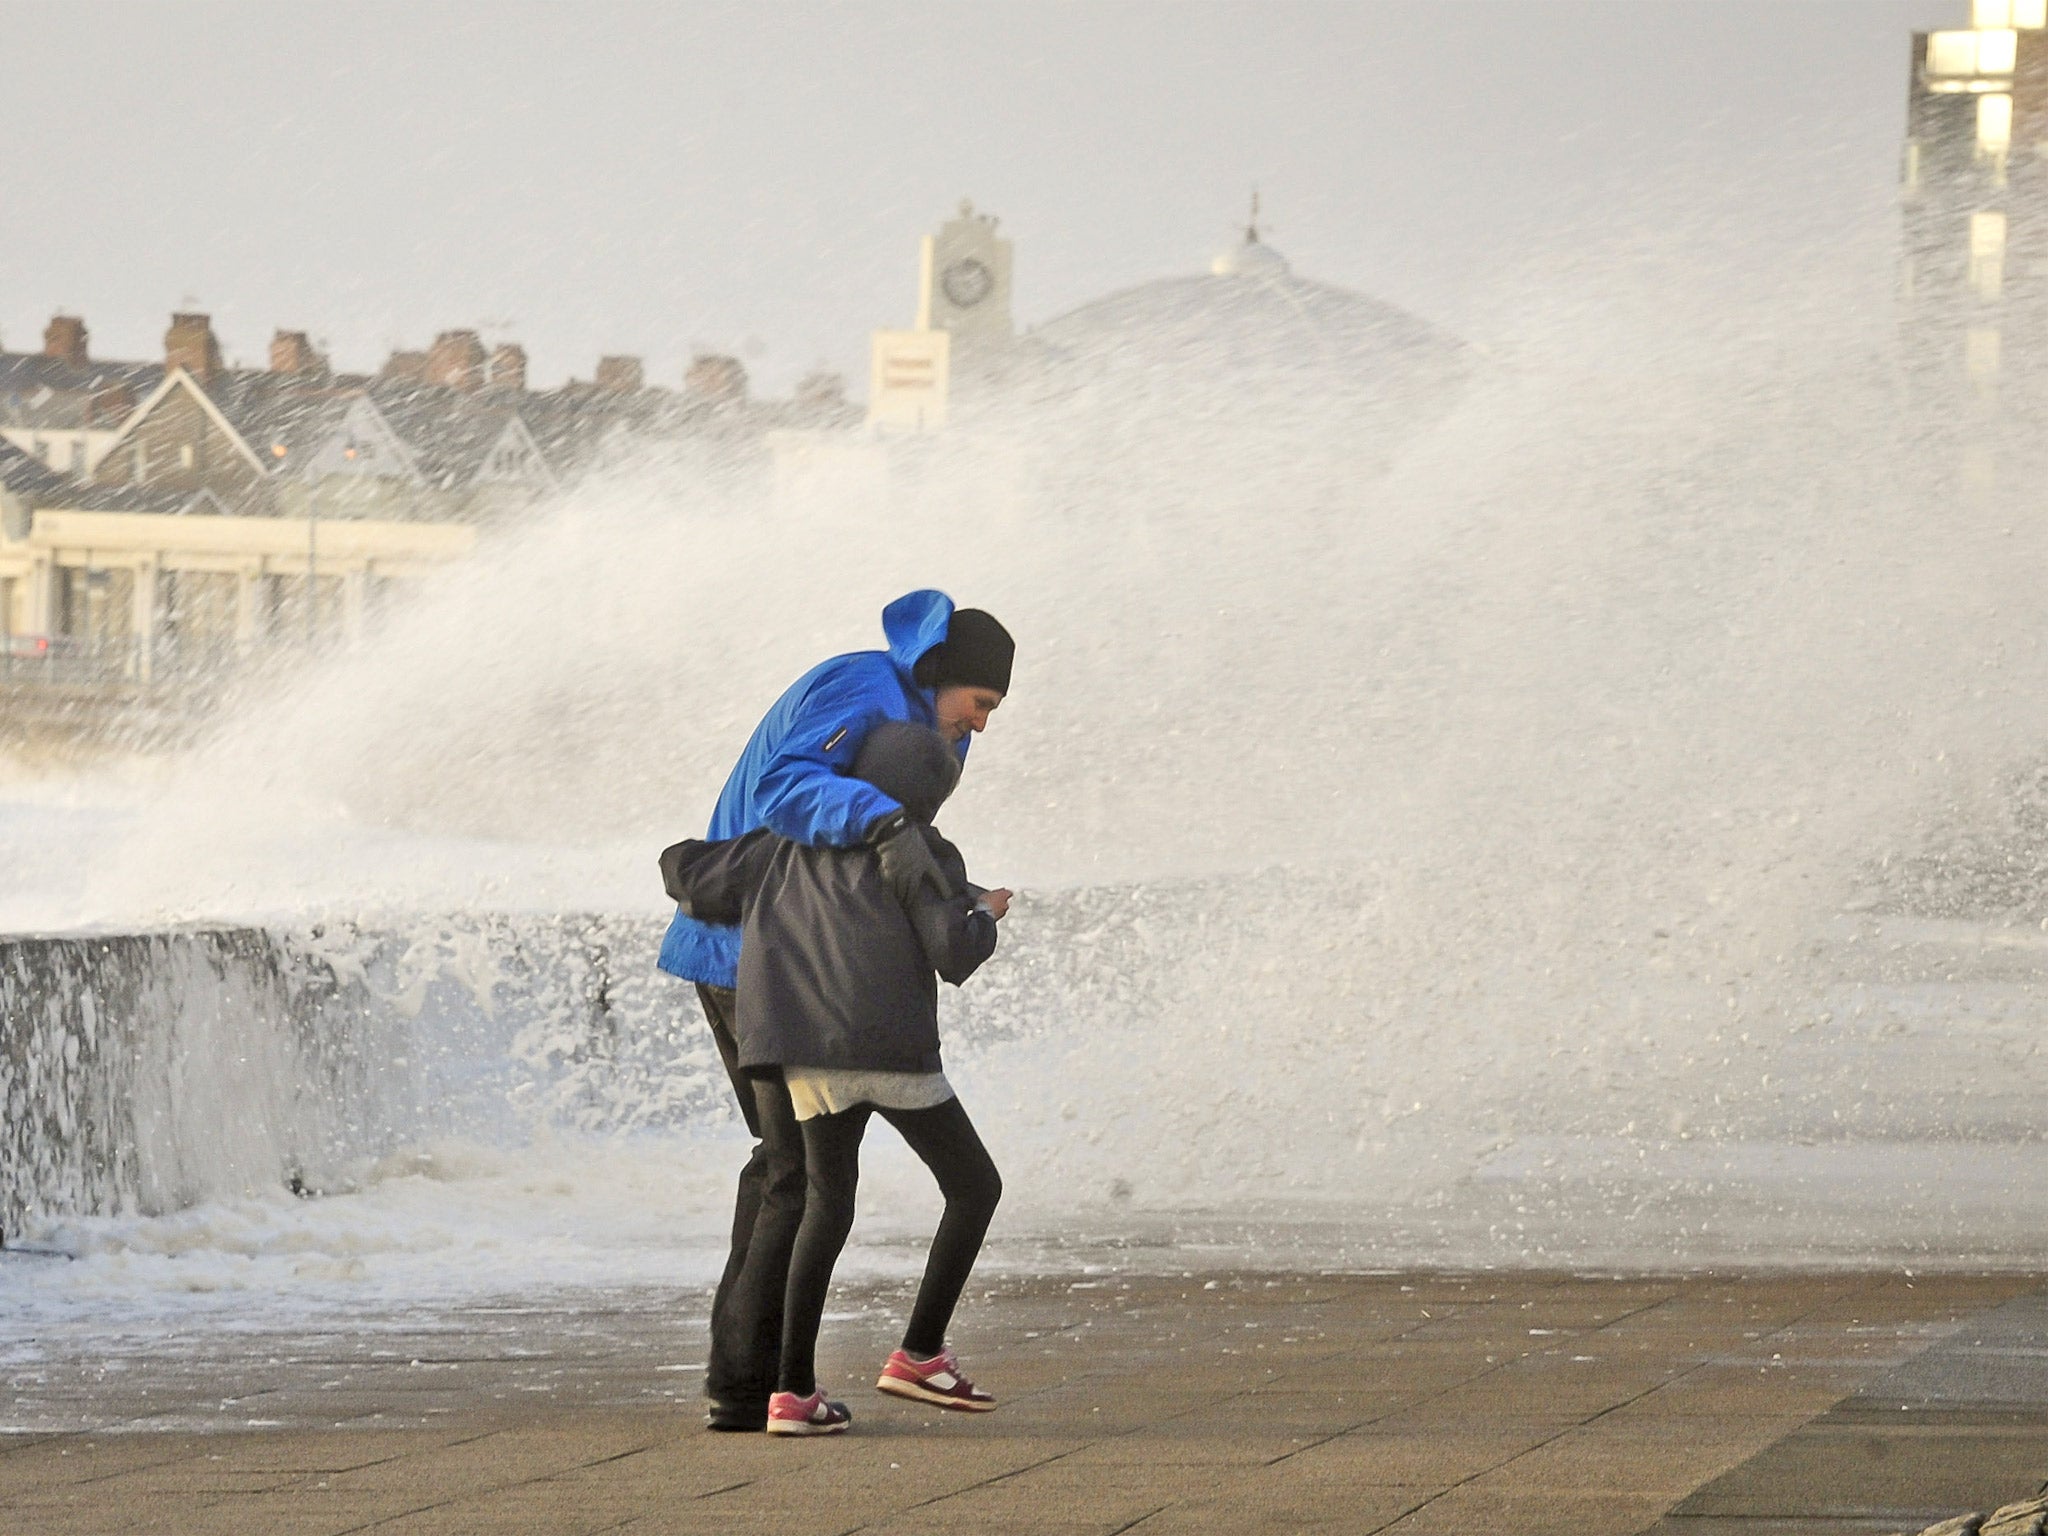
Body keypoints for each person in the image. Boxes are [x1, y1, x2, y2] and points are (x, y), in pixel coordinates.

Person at [656, 590, 1015, 1432]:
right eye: (982, 704)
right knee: (797, 1179)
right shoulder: (863, 685)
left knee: (792, 1175)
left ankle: (756, 1385)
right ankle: (755, 1391)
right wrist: (892, 826)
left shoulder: (904, 716)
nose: (983, 726)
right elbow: (787, 788)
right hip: (758, 959)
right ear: (943, 678)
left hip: (784, 952)